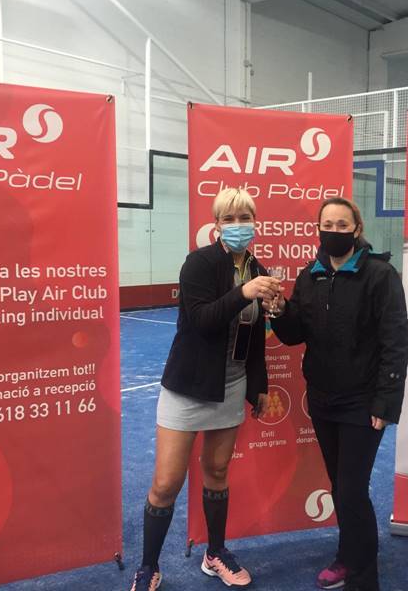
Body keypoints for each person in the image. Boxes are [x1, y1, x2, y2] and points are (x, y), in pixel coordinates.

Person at [131, 187, 281, 591]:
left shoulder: (258, 268)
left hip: (231, 386)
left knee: (216, 472)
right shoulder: (198, 263)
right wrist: (244, 293)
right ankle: (148, 566)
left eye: (244, 217)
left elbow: (256, 337)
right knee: (166, 484)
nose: (238, 225)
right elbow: (201, 321)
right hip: (188, 387)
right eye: (229, 219)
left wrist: (259, 386)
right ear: (216, 225)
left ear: (255, 222)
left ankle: (214, 553)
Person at [266, 197, 408, 591]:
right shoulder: (309, 275)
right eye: (326, 224)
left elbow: (395, 341)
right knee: (340, 488)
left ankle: (364, 579)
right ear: (318, 229)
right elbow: (295, 334)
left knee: (351, 492)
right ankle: (348, 557)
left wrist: (386, 401)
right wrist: (280, 311)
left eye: (342, 225)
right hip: (323, 399)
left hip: (363, 402)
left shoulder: (380, 275)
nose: (333, 231)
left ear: (356, 229)